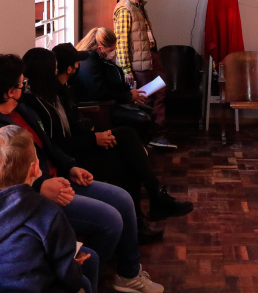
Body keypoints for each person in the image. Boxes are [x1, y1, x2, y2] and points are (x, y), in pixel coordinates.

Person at [0, 54, 164, 293]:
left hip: (61, 176)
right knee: (111, 220)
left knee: (123, 199)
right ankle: (79, 277)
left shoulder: (24, 109)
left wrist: (70, 166)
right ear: (8, 92)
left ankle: (127, 274)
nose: (25, 84)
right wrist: (41, 186)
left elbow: (49, 145)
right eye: (21, 82)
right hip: (40, 194)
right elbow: (3, 178)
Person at [23, 45, 194, 245]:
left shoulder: (57, 92)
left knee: (127, 135)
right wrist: (93, 139)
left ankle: (154, 200)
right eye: (53, 68)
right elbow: (55, 144)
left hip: (79, 145)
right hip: (70, 158)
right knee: (126, 161)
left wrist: (94, 134)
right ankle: (144, 215)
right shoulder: (34, 104)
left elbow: (74, 125)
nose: (56, 71)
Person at [0, 126, 97, 293]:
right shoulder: (46, 213)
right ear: (35, 168)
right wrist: (73, 264)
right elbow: (69, 278)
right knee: (85, 283)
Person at [114, 0, 174, 149]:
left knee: (160, 95)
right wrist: (126, 69)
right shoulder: (125, 9)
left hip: (151, 57)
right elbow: (122, 42)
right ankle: (146, 138)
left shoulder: (138, 6)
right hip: (139, 64)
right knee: (145, 100)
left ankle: (160, 134)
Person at [73, 27, 152, 139]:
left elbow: (111, 81)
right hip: (100, 107)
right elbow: (99, 92)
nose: (113, 53)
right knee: (143, 119)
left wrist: (129, 92)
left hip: (110, 102)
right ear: (100, 48)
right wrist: (128, 96)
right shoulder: (89, 60)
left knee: (149, 112)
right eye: (111, 50)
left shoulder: (100, 57)